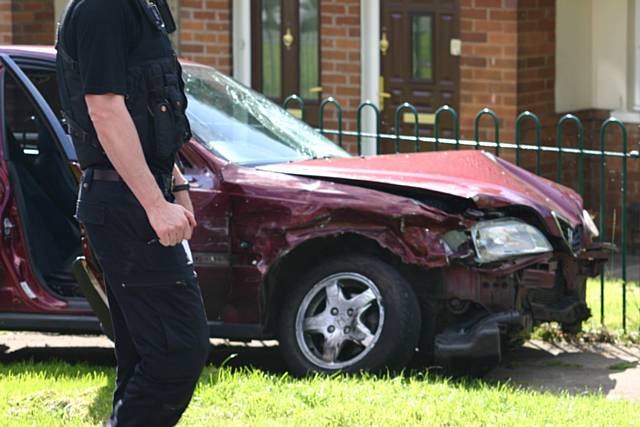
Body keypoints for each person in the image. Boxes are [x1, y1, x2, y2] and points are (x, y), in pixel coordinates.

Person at [55, 0, 210, 425]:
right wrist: (154, 204)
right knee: (176, 354)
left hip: (135, 196)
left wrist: (175, 183)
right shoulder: (103, 8)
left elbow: (144, 112)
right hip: (124, 204)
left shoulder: (144, 8)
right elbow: (104, 109)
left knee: (148, 356)